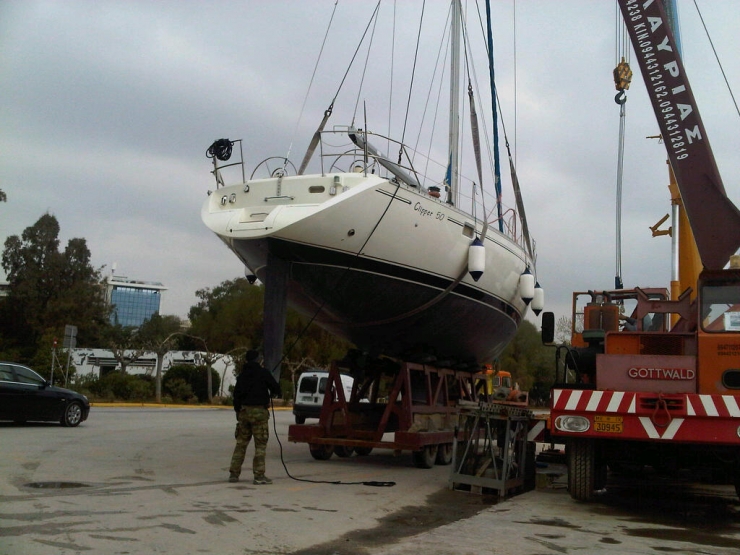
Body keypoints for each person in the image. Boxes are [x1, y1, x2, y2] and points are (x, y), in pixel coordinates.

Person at [229, 350, 282, 484]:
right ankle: (259, 476)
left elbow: (236, 396)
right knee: (260, 445)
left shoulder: (242, 375)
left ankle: (234, 474)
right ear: (258, 360)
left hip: (244, 412)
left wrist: (238, 411)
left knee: (240, 444)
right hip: (259, 413)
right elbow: (276, 389)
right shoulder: (263, 373)